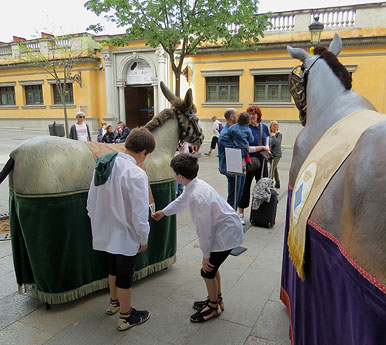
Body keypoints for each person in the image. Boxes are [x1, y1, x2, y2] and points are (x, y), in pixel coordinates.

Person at [152, 153, 243, 323]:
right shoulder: (194, 185)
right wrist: (163, 212)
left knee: (207, 271)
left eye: (173, 173)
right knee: (212, 269)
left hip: (226, 233)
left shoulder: (197, 196)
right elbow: (181, 200)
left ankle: (214, 306)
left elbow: (204, 231)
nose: (173, 175)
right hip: (223, 229)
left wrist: (205, 256)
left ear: (180, 176)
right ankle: (216, 298)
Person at [86, 127, 155, 331]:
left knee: (112, 268)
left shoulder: (104, 163)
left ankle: (114, 303)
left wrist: (97, 222)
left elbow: (90, 201)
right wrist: (144, 237)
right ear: (143, 152)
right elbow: (140, 213)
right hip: (126, 233)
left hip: (105, 229)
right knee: (125, 274)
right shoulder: (136, 173)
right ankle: (125, 317)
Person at [237, 106, 270, 225]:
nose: (251, 116)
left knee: (263, 186)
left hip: (262, 161)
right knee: (245, 187)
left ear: (258, 115)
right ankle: (240, 213)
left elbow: (267, 143)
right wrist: (262, 148)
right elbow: (246, 148)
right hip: (249, 161)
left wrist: (267, 151)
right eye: (249, 114)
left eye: (254, 114)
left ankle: (260, 213)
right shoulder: (244, 129)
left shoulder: (264, 127)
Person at [269, 120, 282, 189]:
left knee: (271, 169)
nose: (275, 126)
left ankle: (269, 184)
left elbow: (276, 142)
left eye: (276, 125)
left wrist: (273, 136)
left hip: (277, 154)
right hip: (270, 154)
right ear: (271, 126)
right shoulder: (269, 134)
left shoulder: (279, 134)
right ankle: (278, 183)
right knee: (274, 168)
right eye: (274, 125)